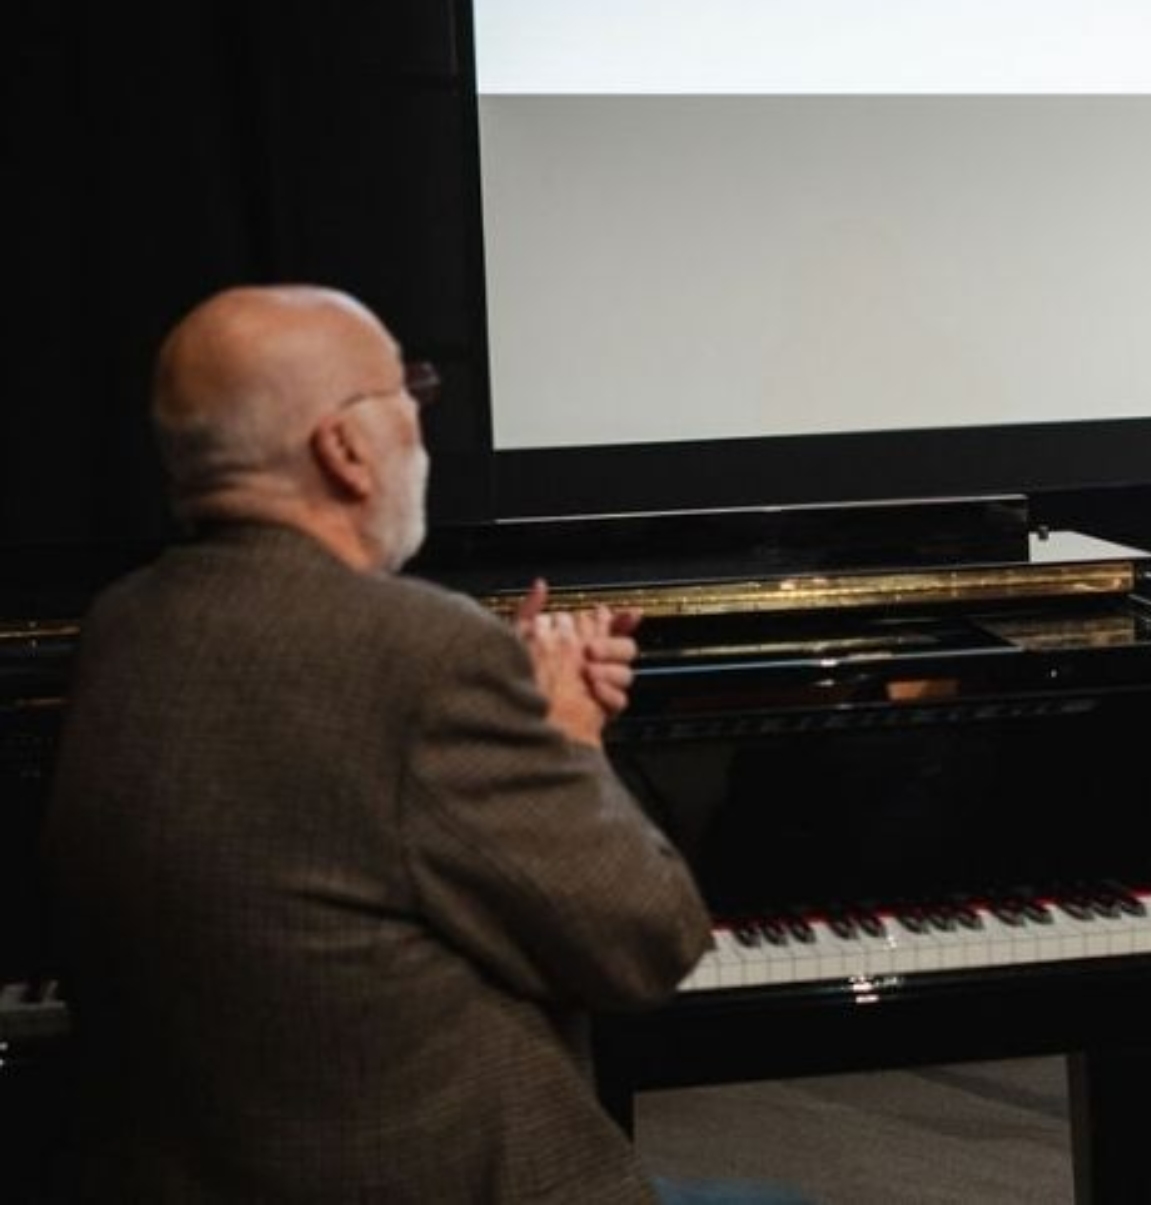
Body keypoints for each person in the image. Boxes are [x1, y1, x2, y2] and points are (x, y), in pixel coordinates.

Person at [43, 285, 726, 1202]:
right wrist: (564, 735)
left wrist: (503, 720)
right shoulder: (426, 653)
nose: (420, 419)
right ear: (344, 447)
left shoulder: (124, 625)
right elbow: (647, 942)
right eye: (410, 390)